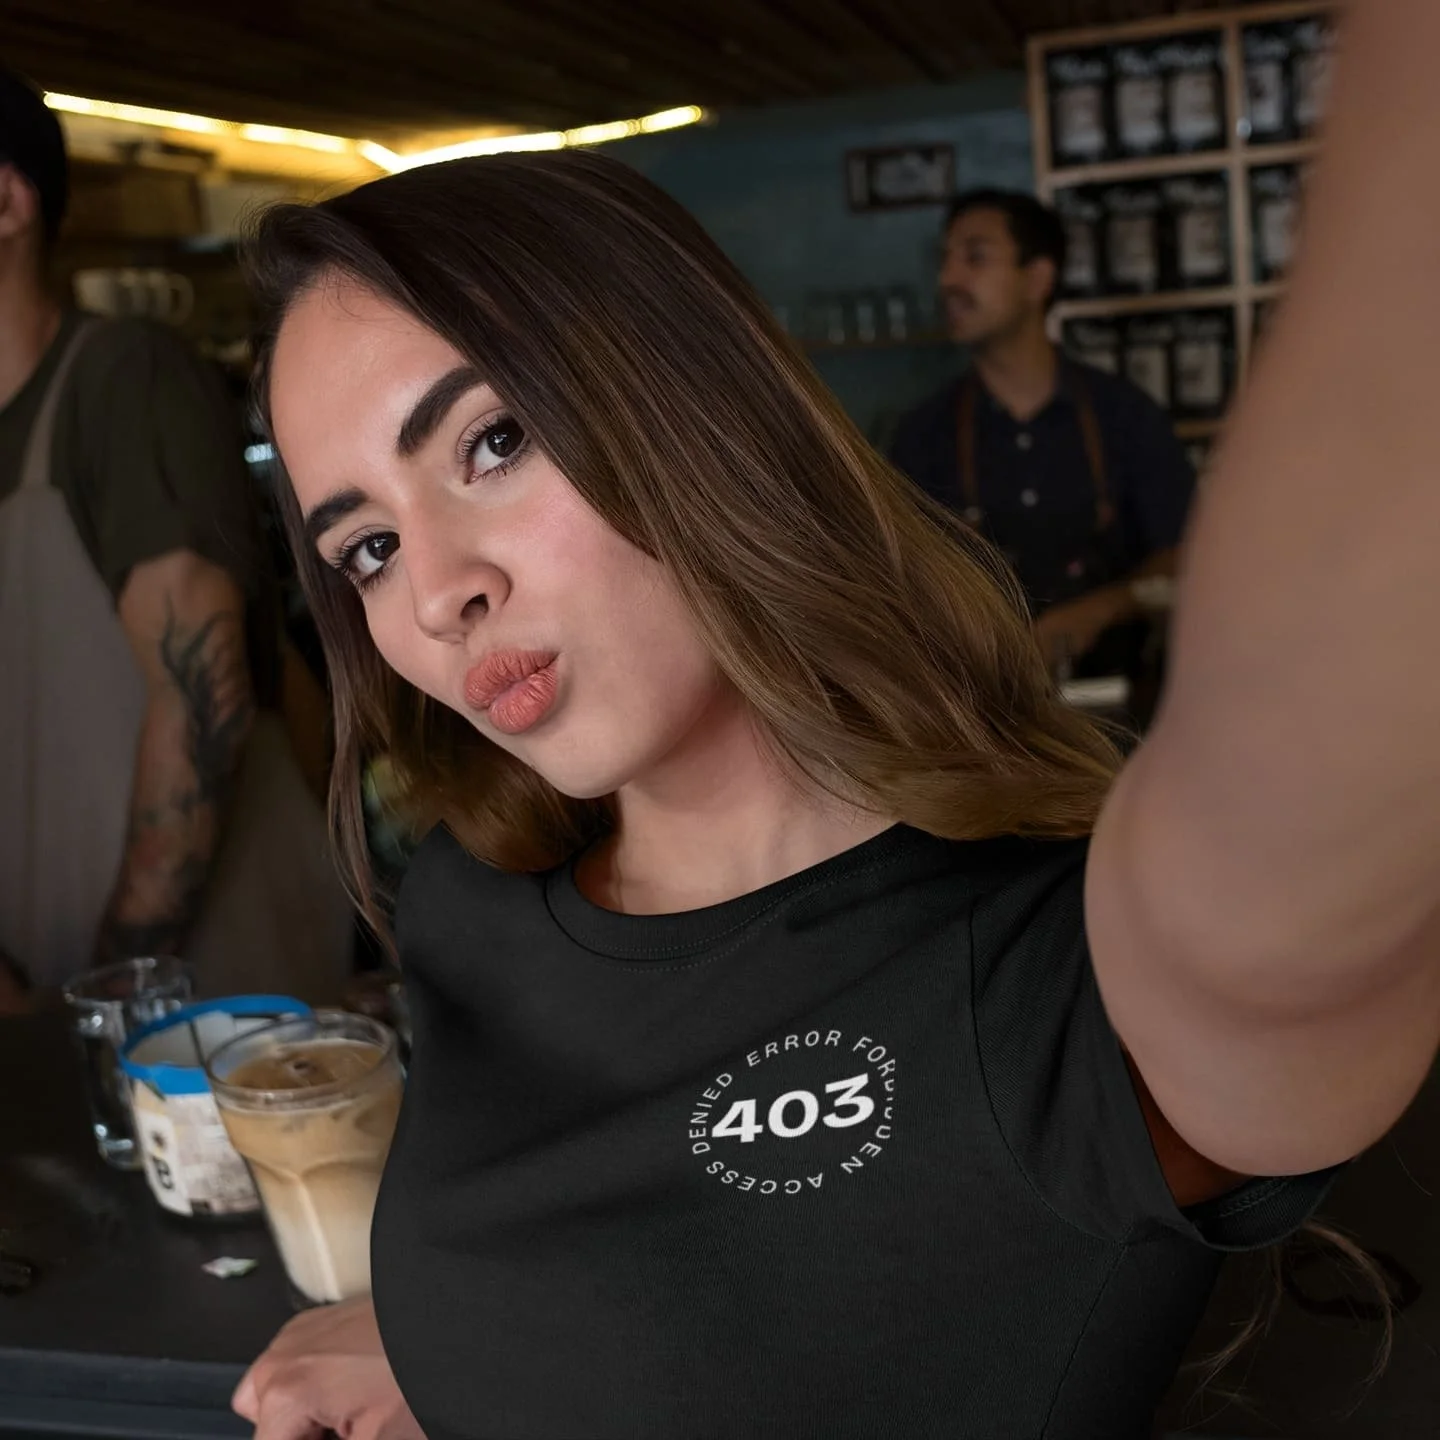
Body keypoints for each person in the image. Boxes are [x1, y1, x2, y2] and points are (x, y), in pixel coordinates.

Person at [236, 3, 1439, 1430]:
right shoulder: (467, 898)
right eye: (366, 545)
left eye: (493, 441)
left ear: (701, 407)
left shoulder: (1052, 967)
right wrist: (443, 1340)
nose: (437, 593)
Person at [0, 67, 350, 1008]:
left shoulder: (123, 380)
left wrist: (114, 991)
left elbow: (202, 705)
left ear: (7, 202)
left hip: (197, 1001)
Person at [888, 188, 1194, 680]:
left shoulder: (1126, 416)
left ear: (1037, 279)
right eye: (945, 260)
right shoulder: (923, 435)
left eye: (975, 257)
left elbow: (1183, 558)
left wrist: (1101, 609)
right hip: (984, 705)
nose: (948, 280)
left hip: (1121, 702)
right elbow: (898, 580)